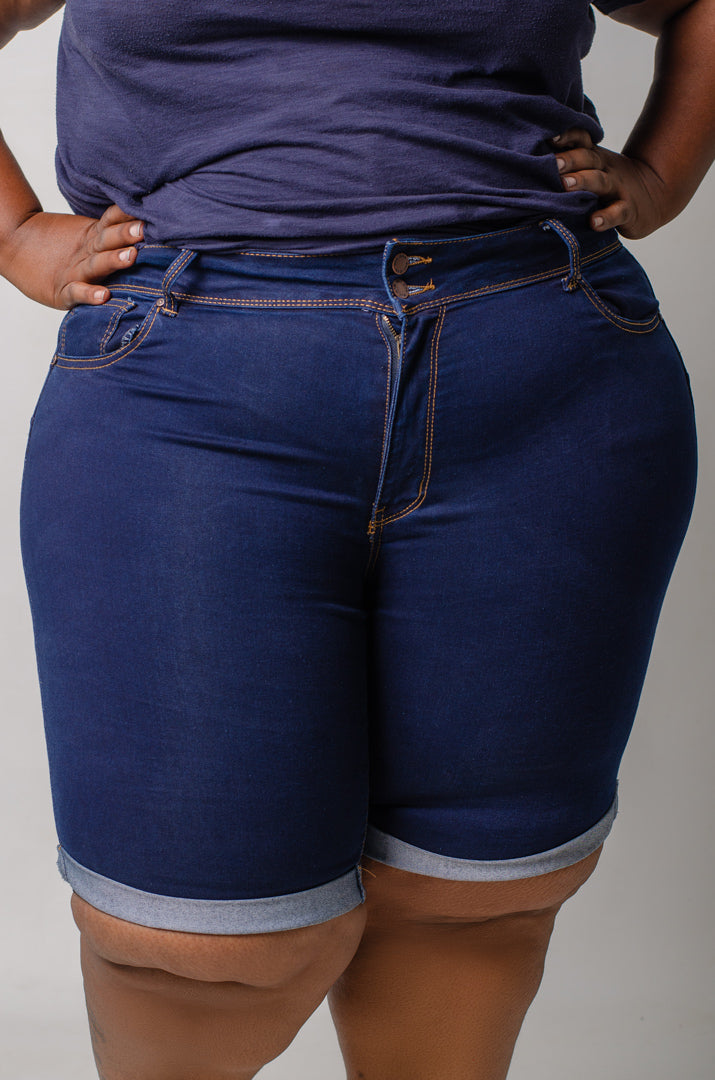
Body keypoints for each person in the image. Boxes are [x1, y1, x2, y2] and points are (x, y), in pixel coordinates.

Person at [1, 1, 712, 1078]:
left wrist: (661, 172)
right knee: (195, 948)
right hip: (186, 384)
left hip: (541, 376)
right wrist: (15, 232)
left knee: (473, 904)